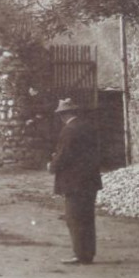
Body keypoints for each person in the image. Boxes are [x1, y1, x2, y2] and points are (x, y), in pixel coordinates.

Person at [48, 98, 101, 264]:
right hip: (89, 180)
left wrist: (52, 165)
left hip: (74, 182)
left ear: (64, 115)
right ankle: (88, 253)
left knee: (74, 218)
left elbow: (64, 155)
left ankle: (79, 254)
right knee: (87, 218)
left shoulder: (69, 130)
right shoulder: (89, 127)